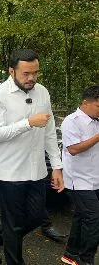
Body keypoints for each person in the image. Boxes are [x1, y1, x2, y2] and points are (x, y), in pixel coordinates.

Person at [0, 49, 64, 265]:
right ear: (12, 71)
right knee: (13, 223)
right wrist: (28, 123)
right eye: (26, 74)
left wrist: (56, 167)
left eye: (35, 73)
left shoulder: (43, 93)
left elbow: (49, 132)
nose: (31, 78)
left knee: (37, 216)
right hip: (9, 171)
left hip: (37, 169)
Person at [60, 85, 99, 265]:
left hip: (96, 178)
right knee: (94, 219)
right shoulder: (71, 121)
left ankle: (70, 254)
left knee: (81, 217)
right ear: (86, 103)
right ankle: (86, 260)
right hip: (79, 180)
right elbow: (74, 149)